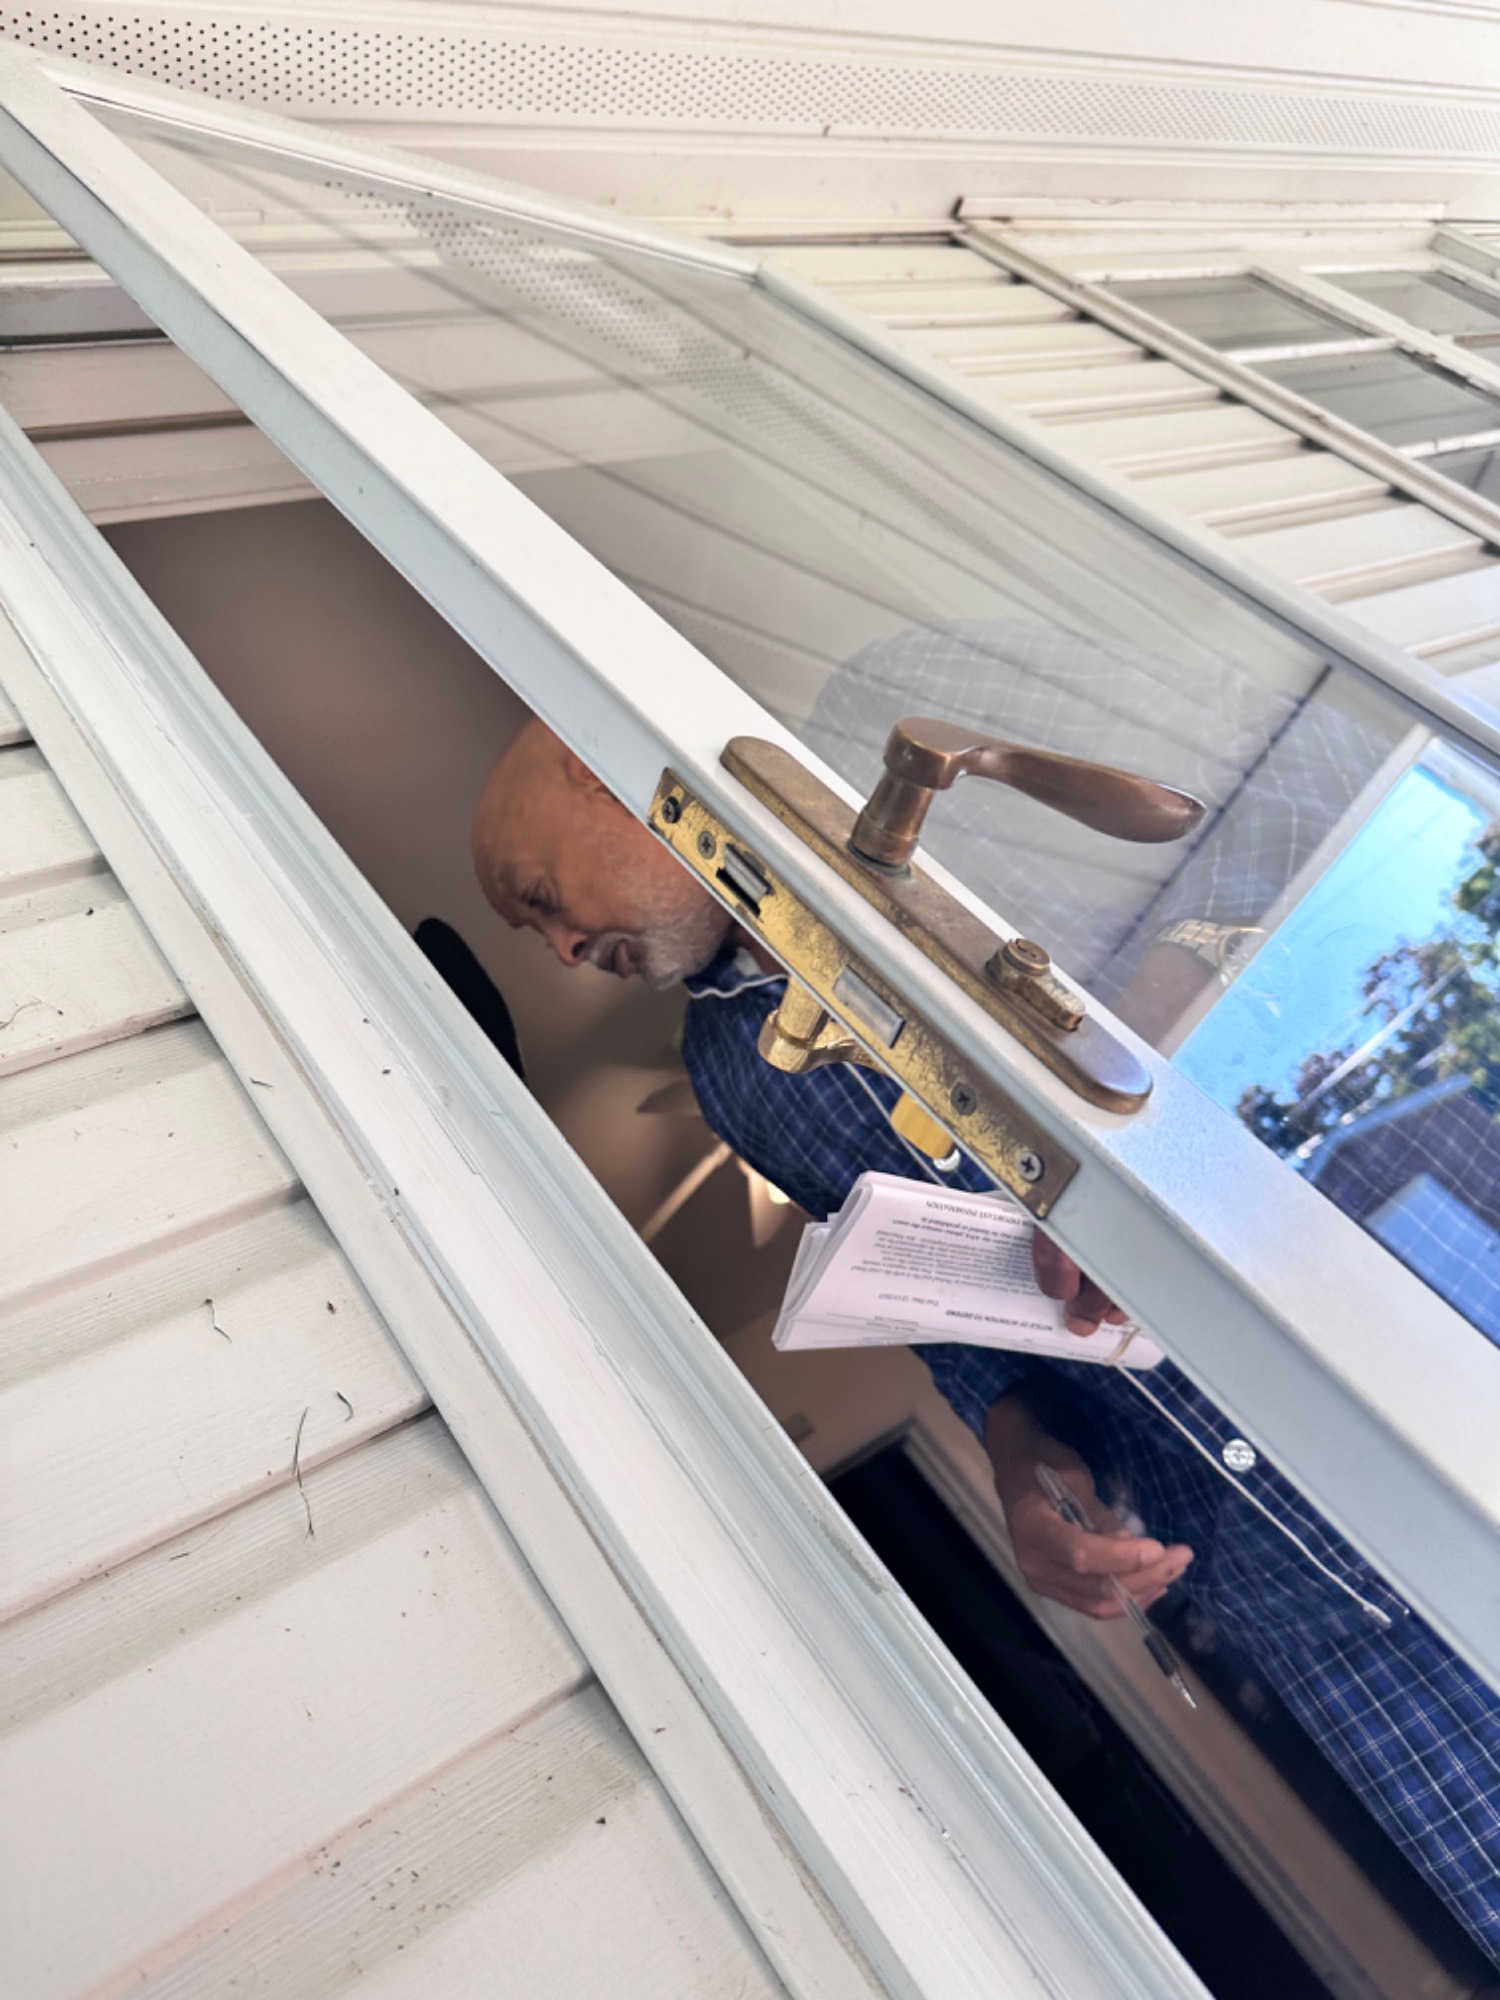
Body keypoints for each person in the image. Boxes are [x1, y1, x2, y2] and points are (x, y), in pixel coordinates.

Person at [472, 670, 1500, 1966]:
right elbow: (964, 1336)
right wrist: (1023, 1472)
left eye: (540, 897)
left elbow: (1313, 786)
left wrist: (1118, 1118)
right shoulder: (729, 1079)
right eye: (538, 937)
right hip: (1304, 1603)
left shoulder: (894, 731)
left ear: (586, 762)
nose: (564, 952)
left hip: (1440, 1365)